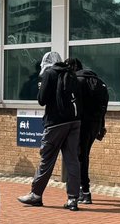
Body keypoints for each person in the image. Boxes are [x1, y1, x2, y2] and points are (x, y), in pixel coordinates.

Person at [18, 51, 82, 210]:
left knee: (46, 159)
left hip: (55, 123)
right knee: (72, 160)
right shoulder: (71, 73)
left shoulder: (49, 74)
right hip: (74, 122)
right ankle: (73, 199)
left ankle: (36, 195)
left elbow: (42, 100)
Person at [63, 57, 108, 204]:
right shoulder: (98, 82)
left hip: (81, 125)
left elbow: (74, 105)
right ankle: (84, 190)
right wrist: (101, 126)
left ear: (74, 67)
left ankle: (85, 192)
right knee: (84, 156)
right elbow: (103, 108)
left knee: (79, 158)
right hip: (95, 125)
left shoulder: (78, 81)